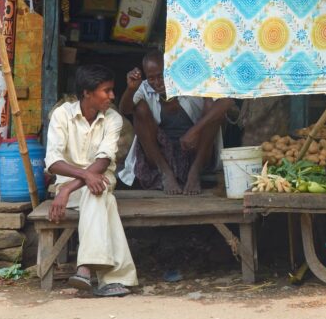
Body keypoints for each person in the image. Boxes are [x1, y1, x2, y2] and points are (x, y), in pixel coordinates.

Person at [45, 64, 138, 297]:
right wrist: (80, 179)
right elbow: (53, 161)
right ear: (87, 92)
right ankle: (113, 279)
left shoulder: (113, 119)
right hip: (82, 187)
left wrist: (68, 187)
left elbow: (104, 161)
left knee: (95, 191)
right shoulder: (62, 114)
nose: (112, 96)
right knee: (102, 199)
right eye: (106, 91)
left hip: (91, 184)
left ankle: (85, 268)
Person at [118, 49, 236, 195]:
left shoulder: (192, 81)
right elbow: (125, 110)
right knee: (140, 108)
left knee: (212, 106)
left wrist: (195, 130)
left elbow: (227, 102)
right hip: (161, 156)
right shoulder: (145, 88)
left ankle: (195, 172)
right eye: (151, 78)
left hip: (195, 151)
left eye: (161, 76)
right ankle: (166, 174)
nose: (157, 82)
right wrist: (130, 89)